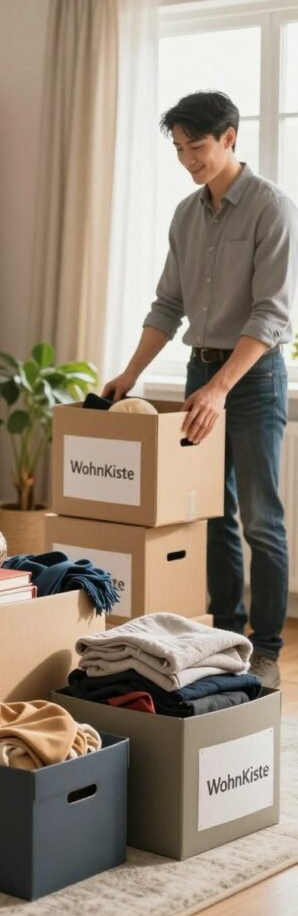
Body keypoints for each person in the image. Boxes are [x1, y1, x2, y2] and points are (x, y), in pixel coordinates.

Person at [103, 91, 298, 690]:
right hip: (199, 373)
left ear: (231, 137)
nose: (189, 159)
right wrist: (130, 374)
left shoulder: (272, 208)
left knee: (261, 519)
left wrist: (219, 387)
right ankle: (226, 636)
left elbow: (271, 315)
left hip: (252, 378)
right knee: (211, 513)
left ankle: (265, 648)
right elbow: (168, 305)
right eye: (180, 149)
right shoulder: (186, 214)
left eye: (199, 147)